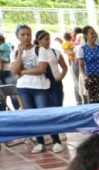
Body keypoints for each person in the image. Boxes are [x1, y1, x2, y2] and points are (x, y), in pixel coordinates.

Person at [11, 25, 64, 154]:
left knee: (45, 114)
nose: (26, 37)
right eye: (22, 35)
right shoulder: (15, 52)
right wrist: (20, 55)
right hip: (24, 88)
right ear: (17, 36)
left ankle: (56, 141)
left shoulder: (40, 50)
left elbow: (41, 69)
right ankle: (40, 143)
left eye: (28, 34)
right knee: (32, 117)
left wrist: (22, 71)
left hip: (40, 87)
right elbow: (14, 71)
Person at [76, 25, 99, 103]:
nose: (94, 35)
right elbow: (81, 65)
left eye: (95, 33)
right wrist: (85, 76)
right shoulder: (81, 48)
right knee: (92, 100)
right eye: (91, 33)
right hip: (90, 77)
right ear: (86, 35)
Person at [36, 30, 68, 111]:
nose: (48, 42)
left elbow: (64, 67)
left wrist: (60, 77)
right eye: (46, 39)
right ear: (39, 40)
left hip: (55, 83)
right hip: (41, 83)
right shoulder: (35, 52)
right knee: (45, 108)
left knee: (57, 106)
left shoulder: (55, 52)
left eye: (49, 39)